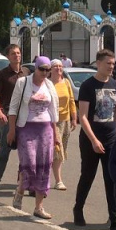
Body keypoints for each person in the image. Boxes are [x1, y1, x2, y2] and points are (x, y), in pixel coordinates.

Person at [74, 49, 116, 230]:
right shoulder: (88, 86)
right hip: (90, 140)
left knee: (112, 179)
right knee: (88, 175)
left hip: (110, 140)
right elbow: (83, 117)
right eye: (108, 63)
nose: (111, 67)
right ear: (99, 63)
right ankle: (78, 209)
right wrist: (94, 140)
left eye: (113, 64)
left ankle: (115, 219)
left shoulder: (115, 85)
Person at [7, 56, 59, 218]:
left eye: (47, 70)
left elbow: (53, 112)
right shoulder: (23, 83)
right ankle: (20, 190)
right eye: (41, 69)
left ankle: (39, 207)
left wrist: (56, 134)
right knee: (29, 164)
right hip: (26, 128)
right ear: (35, 68)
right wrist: (11, 130)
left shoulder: (49, 85)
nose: (44, 72)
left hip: (45, 130)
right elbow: (13, 108)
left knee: (44, 167)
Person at [0, 44, 24, 191]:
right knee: (4, 150)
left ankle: (24, 181)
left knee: (26, 152)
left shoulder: (26, 73)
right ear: (8, 57)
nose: (17, 55)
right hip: (8, 116)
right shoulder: (2, 75)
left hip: (24, 116)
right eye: (13, 53)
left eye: (18, 53)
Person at [48, 60, 77, 191]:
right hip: (52, 121)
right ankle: (58, 181)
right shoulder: (47, 83)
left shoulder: (66, 82)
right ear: (50, 69)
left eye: (60, 66)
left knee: (62, 149)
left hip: (65, 120)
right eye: (55, 66)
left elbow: (71, 100)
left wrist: (74, 118)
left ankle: (48, 177)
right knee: (57, 150)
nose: (58, 68)